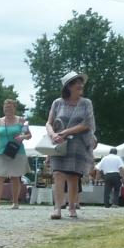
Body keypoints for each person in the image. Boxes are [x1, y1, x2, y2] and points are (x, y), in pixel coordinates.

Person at [46, 72, 96, 219]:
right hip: (58, 143)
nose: (80, 85)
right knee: (58, 174)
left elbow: (87, 124)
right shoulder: (57, 103)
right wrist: (53, 135)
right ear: (68, 86)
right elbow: (49, 122)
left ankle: (72, 207)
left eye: (81, 83)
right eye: (76, 83)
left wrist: (66, 132)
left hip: (78, 144)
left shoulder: (86, 103)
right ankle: (57, 208)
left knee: (73, 177)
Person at [0, 99, 30, 209]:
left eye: (10, 107)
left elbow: (29, 135)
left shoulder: (21, 121)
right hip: (1, 152)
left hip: (17, 152)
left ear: (15, 108)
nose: (8, 109)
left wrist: (22, 137)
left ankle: (15, 202)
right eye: (6, 107)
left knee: (15, 177)